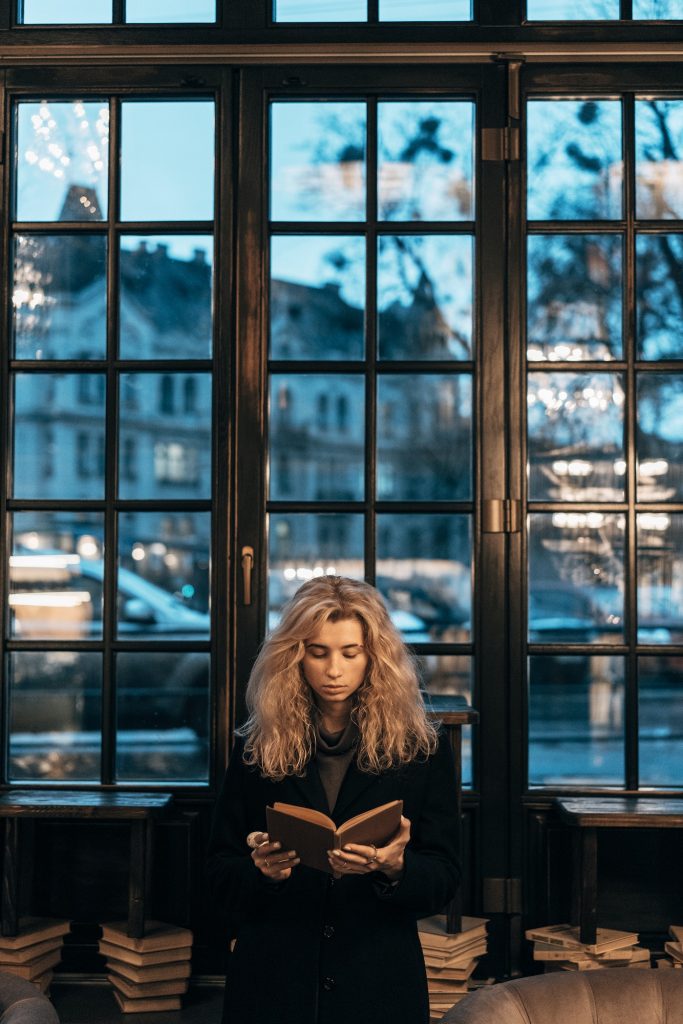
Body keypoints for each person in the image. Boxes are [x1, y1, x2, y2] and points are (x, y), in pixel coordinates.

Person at [206, 575, 461, 1024]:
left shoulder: (422, 749)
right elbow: (218, 874)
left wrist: (395, 866)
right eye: (318, 652)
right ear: (294, 656)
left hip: (377, 981)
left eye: (350, 652)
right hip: (274, 979)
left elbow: (445, 878)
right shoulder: (256, 746)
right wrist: (263, 872)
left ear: (374, 656)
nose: (334, 670)